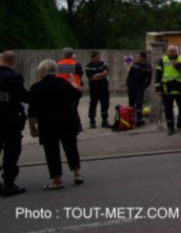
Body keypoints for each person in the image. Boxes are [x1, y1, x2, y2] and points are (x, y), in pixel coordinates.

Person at [29, 59, 83, 190]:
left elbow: (32, 110)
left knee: (51, 151)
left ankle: (57, 179)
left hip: (47, 124)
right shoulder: (63, 83)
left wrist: (32, 127)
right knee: (71, 147)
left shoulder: (36, 87)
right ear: (55, 71)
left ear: (41, 72)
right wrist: (73, 82)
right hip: (67, 120)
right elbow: (77, 94)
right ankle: (77, 173)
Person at [0, 51, 29, 197]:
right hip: (11, 119)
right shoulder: (15, 77)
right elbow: (23, 96)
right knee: (11, 151)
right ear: (13, 61)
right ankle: (9, 183)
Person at [155, 45, 181, 135]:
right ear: (167, 52)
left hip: (180, 89)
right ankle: (170, 127)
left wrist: (178, 65)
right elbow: (158, 75)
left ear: (177, 51)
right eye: (170, 51)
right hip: (167, 89)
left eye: (174, 51)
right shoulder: (162, 60)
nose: (172, 53)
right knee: (168, 109)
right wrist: (158, 89)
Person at [85, 51, 111, 128]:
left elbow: (106, 72)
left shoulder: (103, 64)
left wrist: (98, 75)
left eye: (99, 57)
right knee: (93, 103)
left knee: (105, 103)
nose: (99, 58)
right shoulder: (88, 66)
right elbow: (91, 77)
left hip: (103, 88)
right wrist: (100, 75)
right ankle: (92, 121)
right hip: (94, 89)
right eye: (98, 57)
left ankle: (104, 120)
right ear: (93, 58)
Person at [126, 52, 151, 127]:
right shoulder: (135, 65)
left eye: (139, 57)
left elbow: (149, 79)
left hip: (140, 87)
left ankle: (139, 119)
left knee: (139, 103)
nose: (137, 58)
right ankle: (131, 118)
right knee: (131, 102)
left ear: (143, 58)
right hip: (131, 87)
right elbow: (129, 75)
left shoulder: (148, 67)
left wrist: (144, 86)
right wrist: (127, 85)